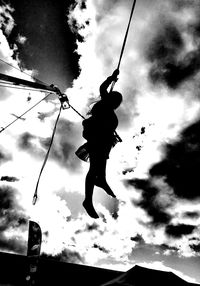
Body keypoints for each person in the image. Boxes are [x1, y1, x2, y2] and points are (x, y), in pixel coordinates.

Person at [81, 69, 123, 219]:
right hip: (96, 139)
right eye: (116, 100)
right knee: (93, 169)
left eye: (118, 101)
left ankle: (102, 180)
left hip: (103, 142)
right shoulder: (105, 104)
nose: (117, 103)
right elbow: (102, 88)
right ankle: (87, 200)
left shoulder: (110, 111)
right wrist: (111, 78)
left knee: (100, 167)